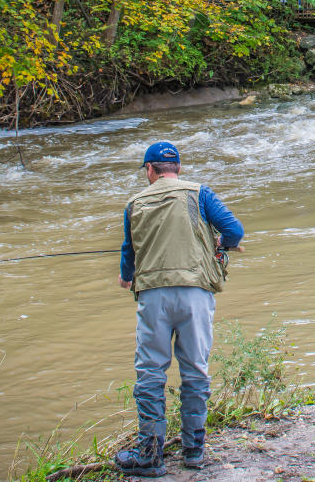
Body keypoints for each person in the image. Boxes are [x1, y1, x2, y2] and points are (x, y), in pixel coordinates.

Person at [115, 140, 244, 476]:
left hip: (154, 297)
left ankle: (150, 456)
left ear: (149, 170)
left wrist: (126, 278)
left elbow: (129, 251)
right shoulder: (200, 193)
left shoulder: (134, 203)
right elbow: (234, 230)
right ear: (178, 169)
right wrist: (222, 244)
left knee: (150, 373)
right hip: (196, 295)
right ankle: (193, 452)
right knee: (195, 370)